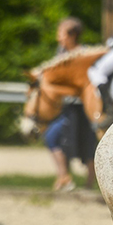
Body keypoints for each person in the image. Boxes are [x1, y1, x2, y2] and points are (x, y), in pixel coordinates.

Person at [45, 17, 97, 191]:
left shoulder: (84, 55)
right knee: (52, 136)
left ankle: (90, 182)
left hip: (83, 108)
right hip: (67, 108)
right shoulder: (60, 54)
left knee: (88, 144)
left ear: (72, 35)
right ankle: (64, 176)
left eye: (61, 33)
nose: (58, 38)